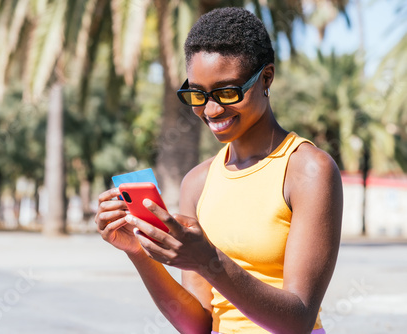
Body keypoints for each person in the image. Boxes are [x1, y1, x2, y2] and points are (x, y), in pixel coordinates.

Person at [95, 7, 342, 334]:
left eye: (227, 92)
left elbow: (298, 320)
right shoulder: (197, 183)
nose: (211, 110)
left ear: (266, 77)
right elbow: (198, 325)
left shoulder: (308, 170)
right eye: (198, 94)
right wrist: (139, 252)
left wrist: (208, 261)